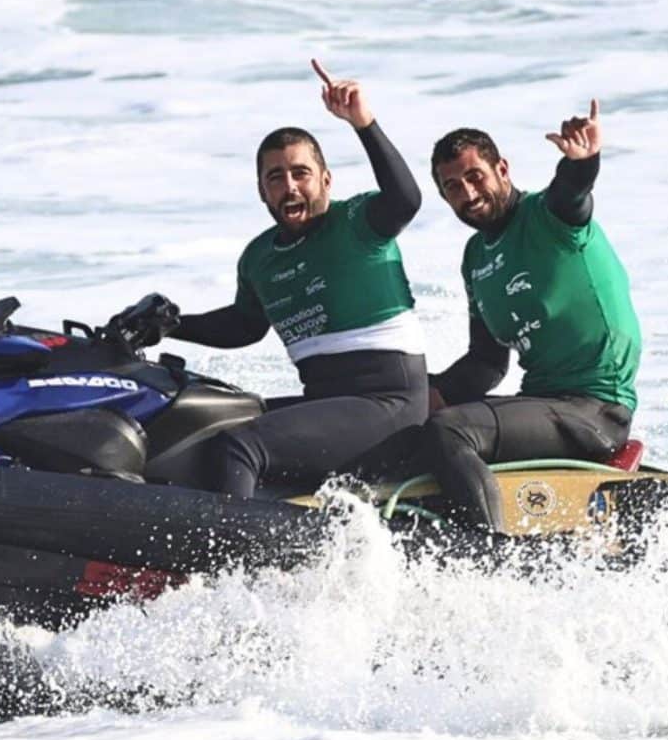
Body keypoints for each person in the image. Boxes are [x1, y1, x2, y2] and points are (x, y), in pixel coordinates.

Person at [152, 60, 426, 498]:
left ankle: (234, 564)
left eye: (301, 173)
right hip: (326, 400)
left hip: (388, 403)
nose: (290, 186)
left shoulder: (357, 223)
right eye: (275, 177)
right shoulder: (260, 257)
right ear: (262, 190)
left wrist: (363, 123)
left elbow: (406, 198)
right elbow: (244, 325)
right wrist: (171, 325)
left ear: (326, 180)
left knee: (239, 447)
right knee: (201, 429)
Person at [423, 99, 642, 525]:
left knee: (450, 430)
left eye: (475, 176)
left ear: (502, 169)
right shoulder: (475, 257)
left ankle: (488, 548)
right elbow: (486, 364)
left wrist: (582, 161)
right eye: (452, 186)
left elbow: (572, 193)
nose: (467, 193)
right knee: (418, 426)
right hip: (543, 404)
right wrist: (420, 391)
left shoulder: (548, 217)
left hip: (596, 408)